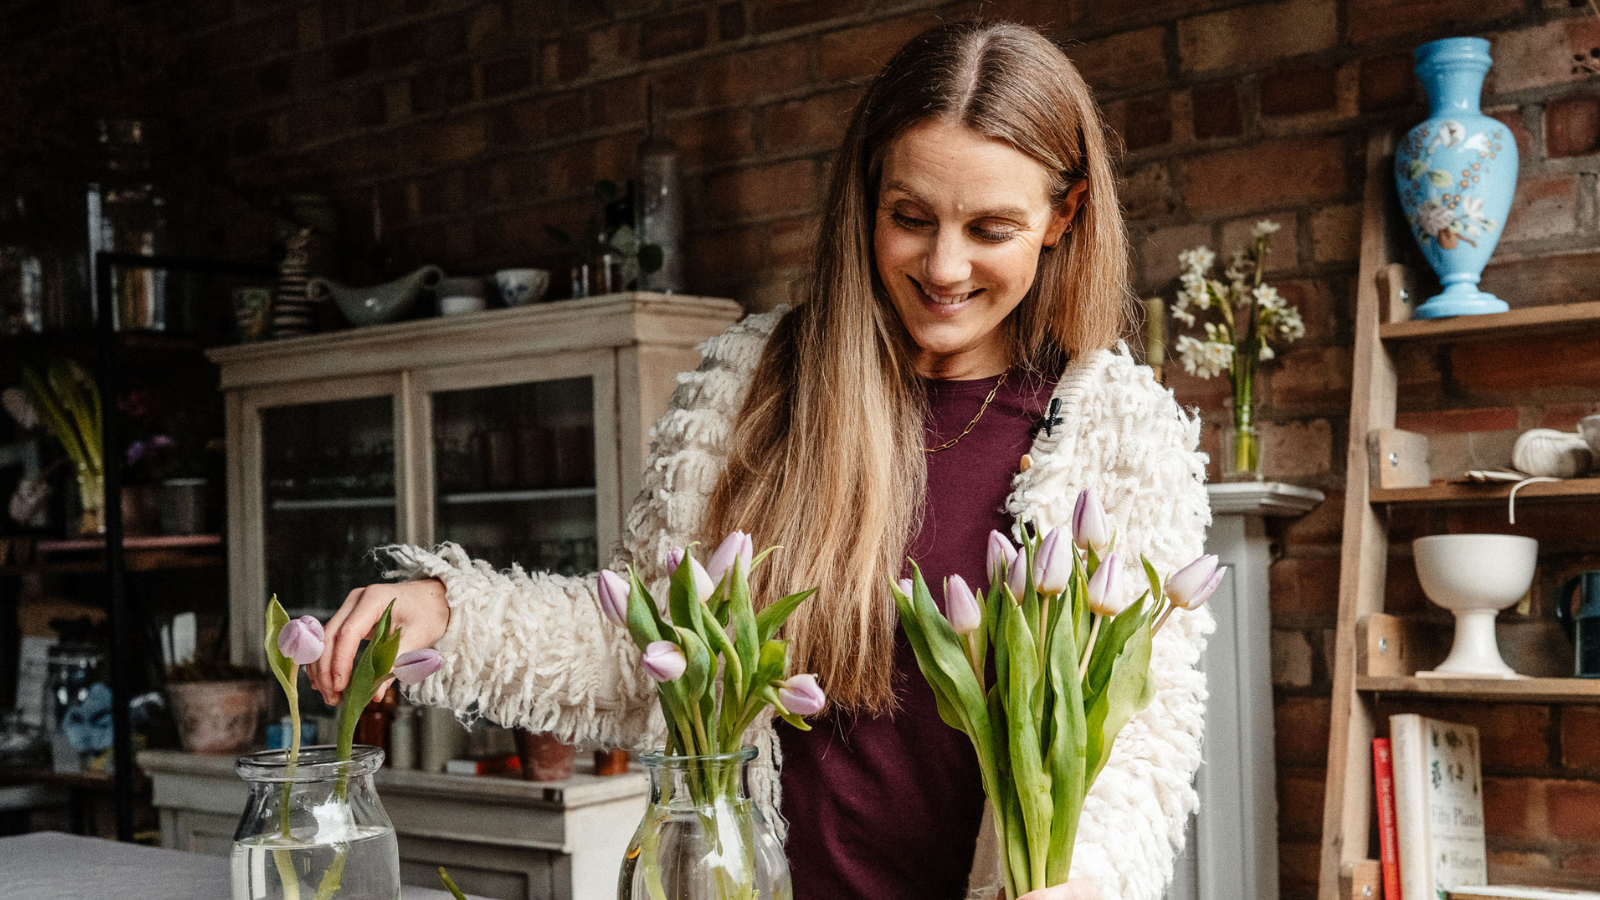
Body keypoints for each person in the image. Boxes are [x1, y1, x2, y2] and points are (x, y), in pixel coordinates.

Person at [309, 21, 1211, 900]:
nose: (944, 266)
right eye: (910, 217)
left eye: (990, 229)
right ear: (864, 199)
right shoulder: (753, 383)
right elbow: (647, 645)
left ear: (1064, 215)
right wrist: (443, 609)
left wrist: (1087, 880)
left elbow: (1142, 737)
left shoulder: (1117, 432)